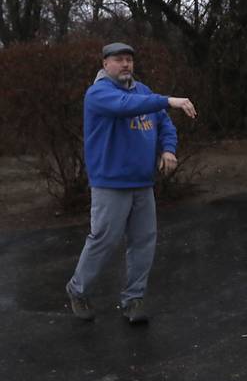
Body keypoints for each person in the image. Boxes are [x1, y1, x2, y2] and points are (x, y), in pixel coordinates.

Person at [65, 42, 197, 324]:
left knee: (143, 241)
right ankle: (78, 289)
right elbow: (126, 107)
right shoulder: (99, 93)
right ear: (105, 65)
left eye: (129, 60)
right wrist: (168, 100)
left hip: (142, 182)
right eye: (118, 60)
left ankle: (133, 299)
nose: (125, 64)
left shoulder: (144, 92)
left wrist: (168, 149)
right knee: (104, 239)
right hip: (110, 182)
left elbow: (163, 124)